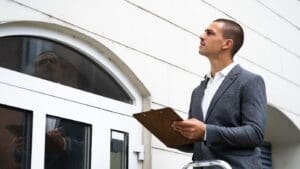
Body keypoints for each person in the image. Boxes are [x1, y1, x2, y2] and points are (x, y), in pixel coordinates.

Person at [172, 18, 267, 169]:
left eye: (209, 33)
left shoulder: (250, 81)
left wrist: (206, 131)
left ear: (227, 44)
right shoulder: (198, 91)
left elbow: (254, 134)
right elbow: (199, 142)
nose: (202, 36)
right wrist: (173, 136)